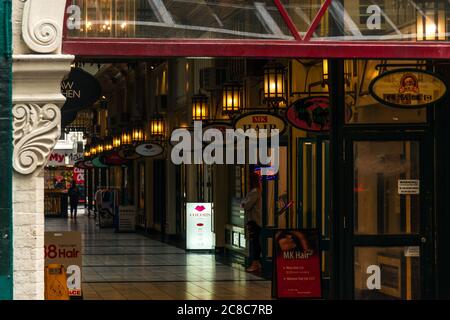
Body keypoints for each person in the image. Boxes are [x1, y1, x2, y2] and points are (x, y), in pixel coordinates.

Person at [241, 173, 263, 272]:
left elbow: (246, 205)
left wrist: (244, 203)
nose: (247, 182)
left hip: (253, 220)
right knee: (255, 241)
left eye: (248, 180)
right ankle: (256, 262)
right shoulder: (257, 191)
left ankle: (255, 263)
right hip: (254, 220)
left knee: (254, 242)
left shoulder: (254, 192)